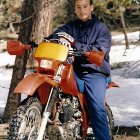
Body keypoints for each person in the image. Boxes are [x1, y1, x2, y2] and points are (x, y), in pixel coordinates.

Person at [45, 0, 112, 139]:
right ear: (75, 9)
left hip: (94, 71)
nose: (82, 10)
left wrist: (75, 44)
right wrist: (52, 39)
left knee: (97, 109)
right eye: (79, 7)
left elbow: (100, 50)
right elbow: (58, 34)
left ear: (91, 7)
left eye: (85, 6)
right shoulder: (71, 26)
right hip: (73, 69)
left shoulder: (101, 28)